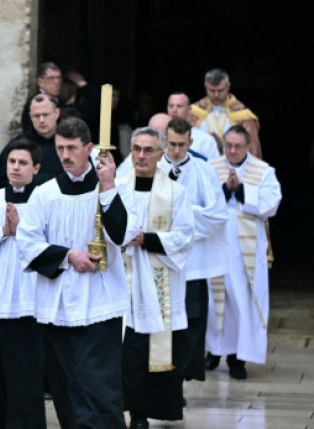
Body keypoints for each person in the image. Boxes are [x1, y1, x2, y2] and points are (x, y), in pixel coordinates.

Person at [16, 117, 134, 429]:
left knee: (99, 387)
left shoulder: (111, 188)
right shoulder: (45, 193)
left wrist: (108, 185)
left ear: (89, 149)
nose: (65, 155)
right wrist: (68, 256)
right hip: (56, 306)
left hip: (99, 303)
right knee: (65, 388)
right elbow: (27, 243)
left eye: (72, 148)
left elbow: (122, 235)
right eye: (60, 148)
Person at [118, 127, 194, 429]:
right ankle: (123, 409)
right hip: (123, 281)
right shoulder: (118, 189)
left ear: (161, 154)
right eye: (136, 149)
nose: (141, 155)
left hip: (157, 280)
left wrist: (145, 240)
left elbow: (185, 236)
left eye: (148, 150)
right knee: (127, 349)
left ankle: (142, 413)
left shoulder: (176, 192)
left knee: (151, 350)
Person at [0, 138, 46, 429]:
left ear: (36, 168)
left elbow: (49, 247)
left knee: (25, 374)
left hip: (28, 300)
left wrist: (20, 233)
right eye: (11, 161)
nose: (16, 168)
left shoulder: (44, 200)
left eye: (22, 163)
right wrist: (3, 232)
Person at [205, 125, 282, 379]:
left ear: (248, 146)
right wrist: (225, 189)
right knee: (214, 300)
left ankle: (238, 358)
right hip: (216, 246)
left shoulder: (263, 171)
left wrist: (240, 190)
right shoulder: (210, 167)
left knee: (242, 301)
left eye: (238, 146)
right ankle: (213, 352)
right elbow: (200, 201)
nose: (233, 150)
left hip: (244, 252)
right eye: (228, 145)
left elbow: (272, 204)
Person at [159, 118, 229, 388]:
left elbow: (217, 215)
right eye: (172, 144)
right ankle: (164, 380)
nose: (176, 150)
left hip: (193, 261)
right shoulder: (150, 166)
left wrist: (181, 223)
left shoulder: (203, 170)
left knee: (192, 321)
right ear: (165, 140)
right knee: (163, 321)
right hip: (161, 258)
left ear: (190, 143)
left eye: (181, 145)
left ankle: (180, 377)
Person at [0, 94, 65, 191]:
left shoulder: (70, 143)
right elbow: (0, 183)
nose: (41, 120)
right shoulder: (18, 145)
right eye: (36, 116)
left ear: (57, 113)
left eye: (45, 115)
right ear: (30, 116)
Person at [188, 69, 263, 158]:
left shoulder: (243, 116)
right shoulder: (193, 112)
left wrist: (222, 146)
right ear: (205, 87)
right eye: (212, 90)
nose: (216, 95)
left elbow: (253, 150)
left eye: (220, 90)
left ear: (228, 87)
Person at [166, 91, 220, 159]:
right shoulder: (156, 136)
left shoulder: (206, 140)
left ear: (189, 110)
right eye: (171, 106)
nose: (174, 110)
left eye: (179, 106)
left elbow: (215, 168)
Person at [20, 62, 63, 136]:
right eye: (51, 78)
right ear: (40, 82)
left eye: (59, 78)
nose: (56, 82)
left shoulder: (61, 101)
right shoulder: (33, 104)